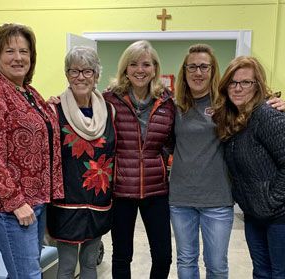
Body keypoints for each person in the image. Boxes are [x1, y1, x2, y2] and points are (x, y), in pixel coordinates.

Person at [0, 23, 64, 279]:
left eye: (24, 51)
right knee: (28, 275)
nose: (18, 57)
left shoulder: (29, 92)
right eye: (9, 51)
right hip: (9, 206)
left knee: (25, 272)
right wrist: (15, 202)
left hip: (35, 200)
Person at [103, 40, 175, 278]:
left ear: (155, 67)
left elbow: (172, 140)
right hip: (121, 189)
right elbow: (83, 113)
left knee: (163, 255)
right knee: (122, 255)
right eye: (133, 64)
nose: (140, 70)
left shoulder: (167, 101)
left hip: (156, 190)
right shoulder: (109, 99)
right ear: (125, 68)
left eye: (146, 64)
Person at [213, 56, 285, 278]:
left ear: (258, 85)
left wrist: (273, 200)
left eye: (246, 82)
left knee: (279, 273)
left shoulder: (267, 115)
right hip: (254, 214)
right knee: (261, 272)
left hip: (279, 216)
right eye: (232, 82)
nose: (237, 88)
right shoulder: (234, 119)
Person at [47, 46, 116, 279]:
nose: (80, 77)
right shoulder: (53, 110)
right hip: (66, 202)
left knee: (89, 263)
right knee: (66, 266)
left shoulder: (109, 111)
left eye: (87, 71)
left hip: (99, 200)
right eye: (74, 71)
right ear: (67, 75)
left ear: (96, 75)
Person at [169, 44, 234, 278]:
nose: (198, 72)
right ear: (184, 72)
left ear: (213, 70)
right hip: (181, 199)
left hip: (217, 199)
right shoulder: (174, 106)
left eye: (204, 67)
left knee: (216, 265)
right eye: (192, 67)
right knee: (186, 262)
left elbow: (254, 109)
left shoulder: (227, 105)